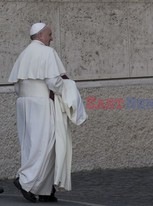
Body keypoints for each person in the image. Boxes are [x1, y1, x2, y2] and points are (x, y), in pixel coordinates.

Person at [9, 22, 73, 203]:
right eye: (50, 34)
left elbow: (16, 85)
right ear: (41, 35)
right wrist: (67, 90)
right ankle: (24, 181)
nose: (52, 38)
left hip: (24, 103)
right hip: (41, 104)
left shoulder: (23, 54)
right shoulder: (47, 52)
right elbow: (53, 81)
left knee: (31, 145)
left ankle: (45, 191)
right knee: (45, 145)